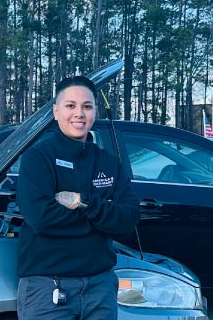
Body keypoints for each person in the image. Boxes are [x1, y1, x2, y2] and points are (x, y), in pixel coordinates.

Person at [16, 75, 140, 320]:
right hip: (48, 288)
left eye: (87, 106)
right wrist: (102, 218)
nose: (79, 114)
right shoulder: (38, 158)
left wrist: (83, 202)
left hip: (100, 287)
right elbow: (41, 219)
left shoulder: (108, 162)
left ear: (94, 111)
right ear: (55, 111)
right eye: (70, 106)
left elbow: (128, 219)